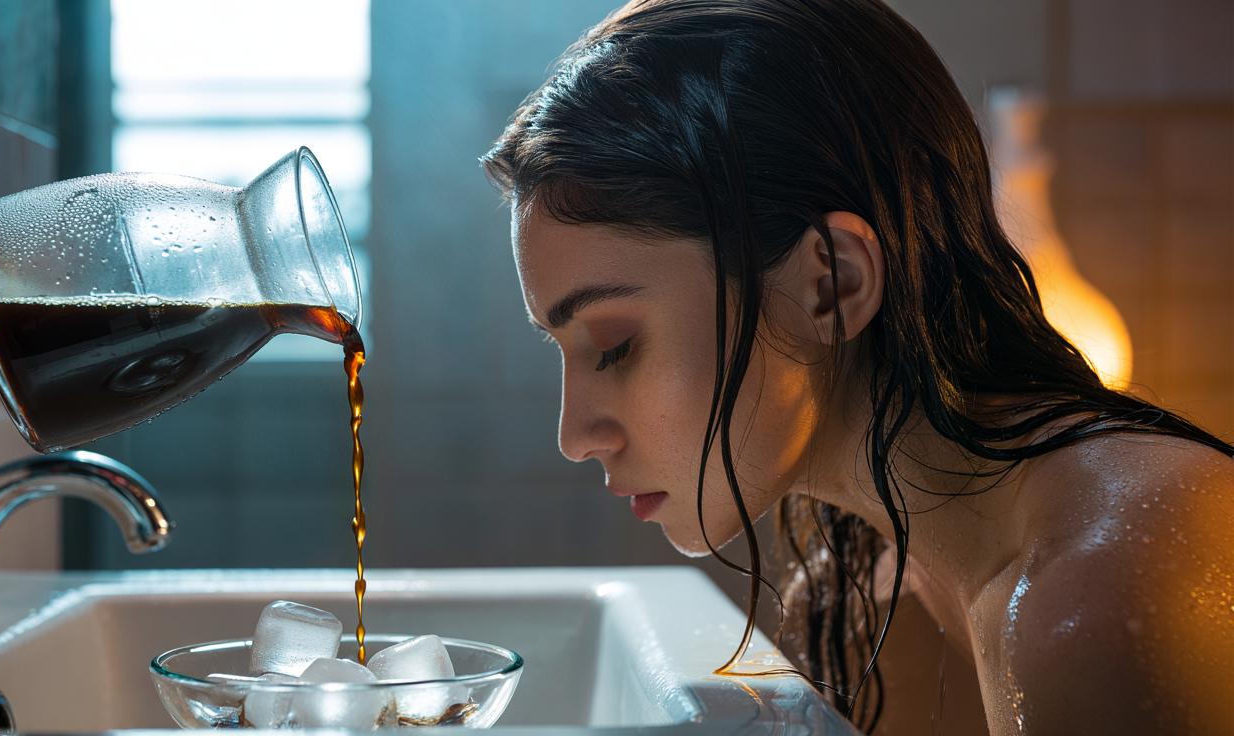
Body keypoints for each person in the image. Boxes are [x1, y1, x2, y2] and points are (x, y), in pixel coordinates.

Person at [480, 0, 1234, 734]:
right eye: (564, 351)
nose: (575, 434)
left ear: (831, 284)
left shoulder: (1106, 595)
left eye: (614, 344)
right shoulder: (868, 604)